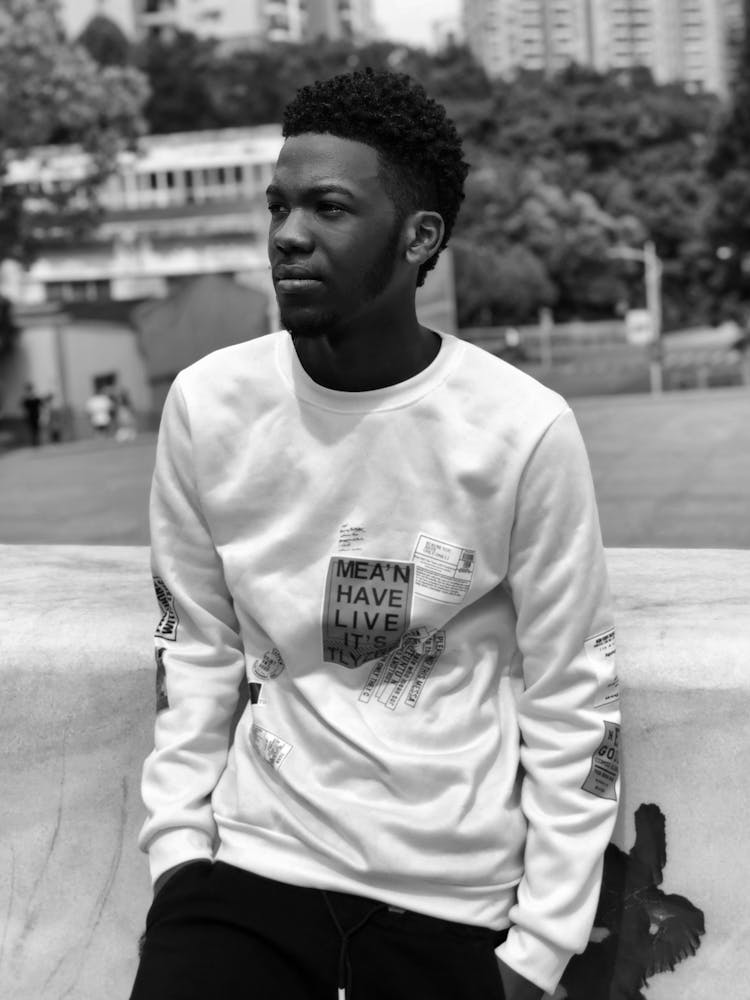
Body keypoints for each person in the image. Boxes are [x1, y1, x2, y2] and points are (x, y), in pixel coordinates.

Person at [131, 69, 621, 1000]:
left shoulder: (523, 428)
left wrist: (538, 951)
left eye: (328, 207)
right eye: (278, 206)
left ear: (419, 236)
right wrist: (179, 860)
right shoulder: (209, 405)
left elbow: (575, 696)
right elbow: (193, 649)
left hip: (453, 905)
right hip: (246, 878)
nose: (287, 234)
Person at [20, 382, 43, 447]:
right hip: (29, 416)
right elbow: (24, 408)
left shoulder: (35, 398)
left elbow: (41, 404)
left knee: (37, 428)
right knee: (31, 428)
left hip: (36, 415)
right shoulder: (26, 399)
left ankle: (37, 441)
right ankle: (33, 442)